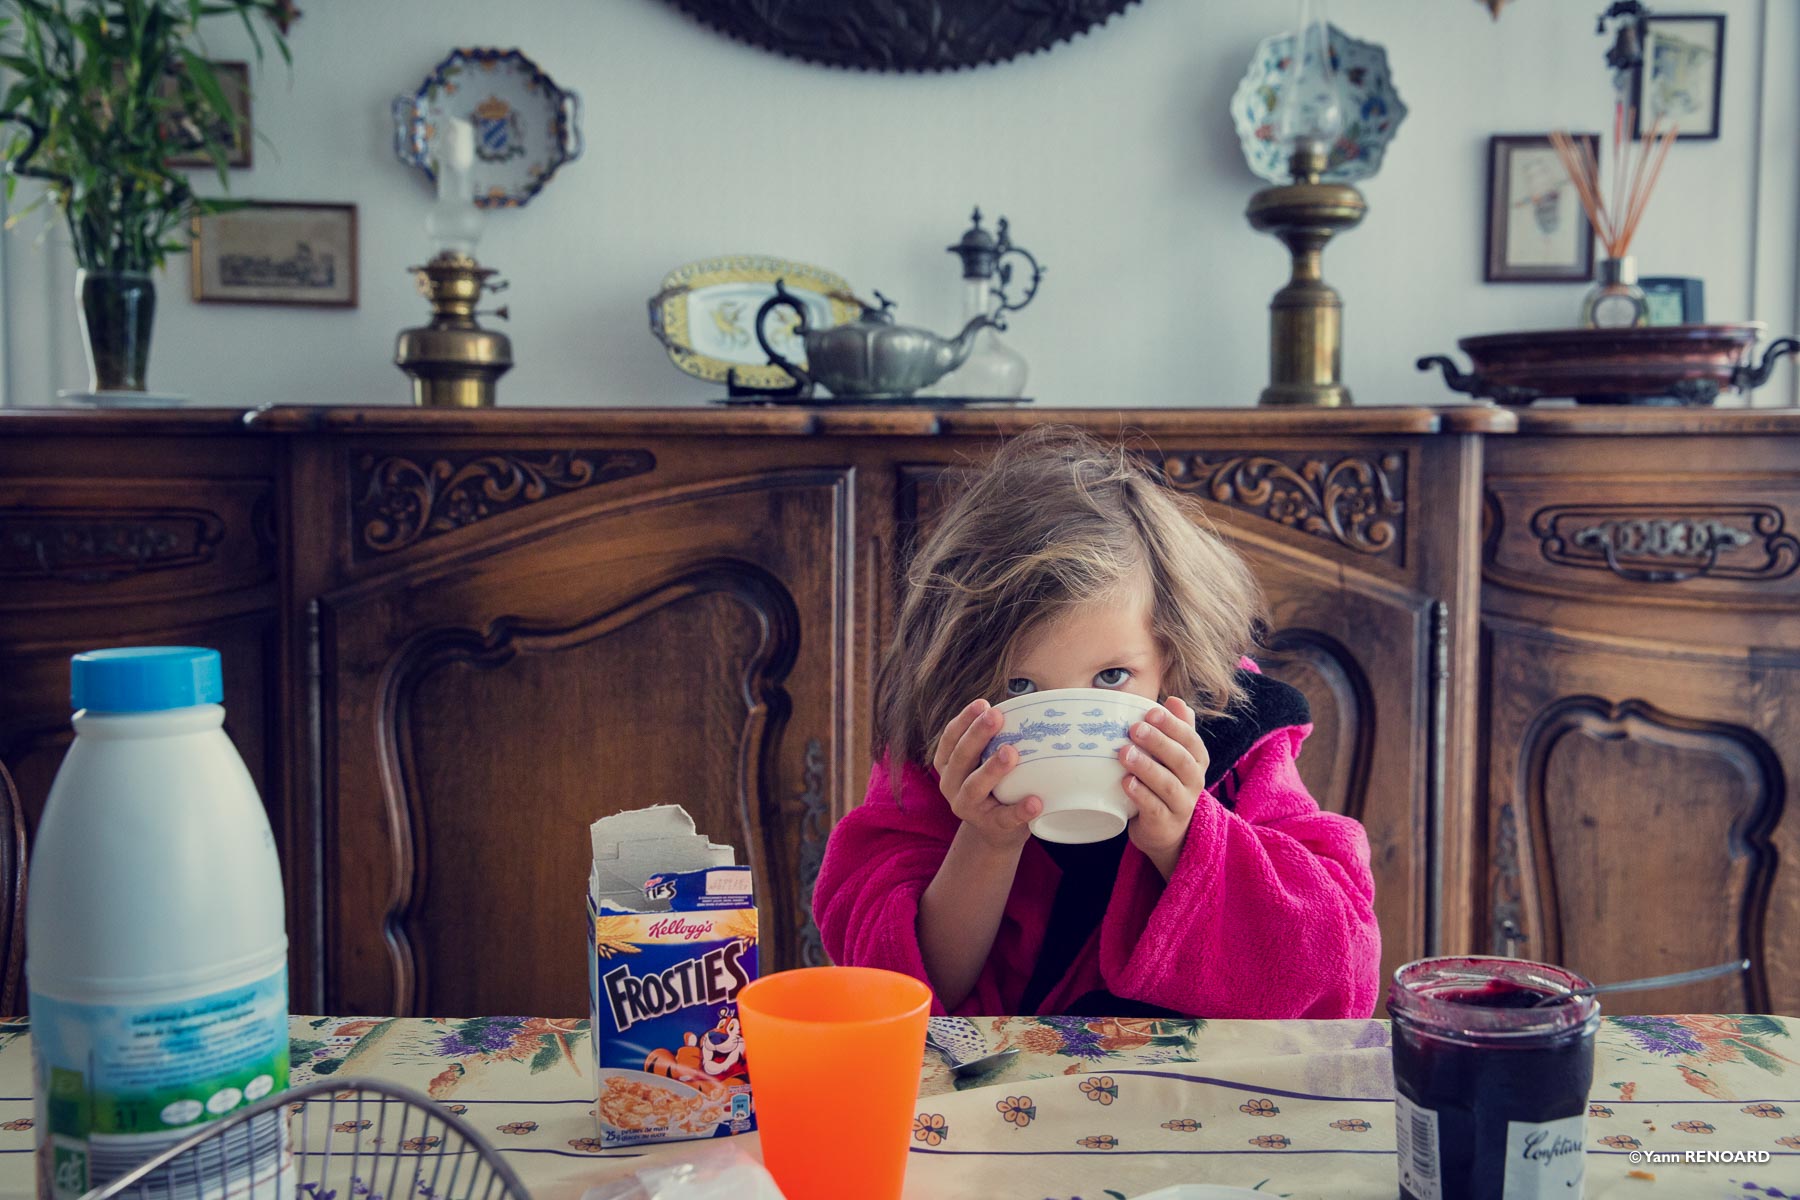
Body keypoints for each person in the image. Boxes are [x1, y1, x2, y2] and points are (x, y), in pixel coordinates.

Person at [811, 427, 1381, 1018]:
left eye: (1111, 677)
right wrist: (985, 840)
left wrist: (1184, 840)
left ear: (1172, 650)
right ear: (959, 668)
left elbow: (1339, 968)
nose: (1067, 717)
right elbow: (894, 995)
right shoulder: (945, 746)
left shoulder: (1234, 737)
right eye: (1020, 687)